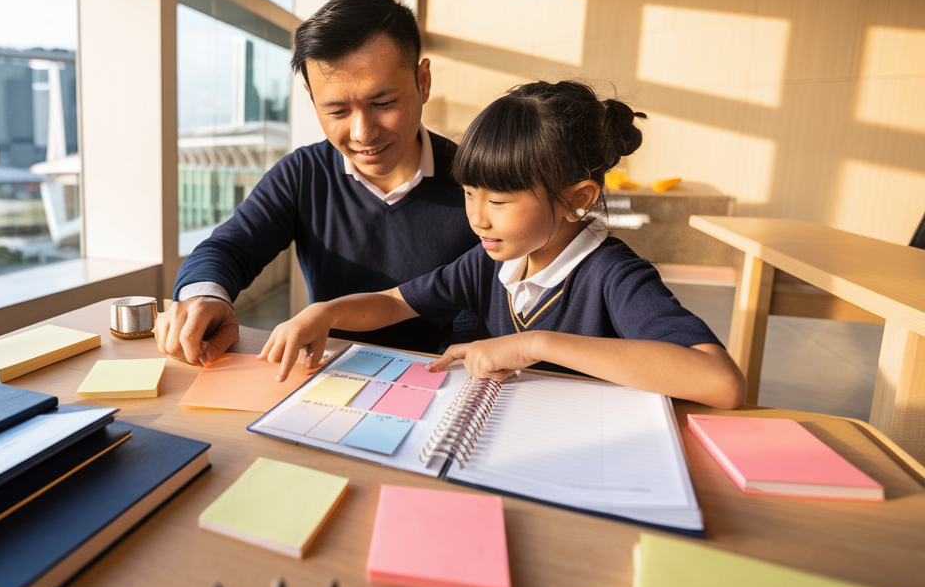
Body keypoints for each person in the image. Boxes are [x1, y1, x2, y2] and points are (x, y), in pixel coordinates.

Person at [258, 81, 746, 408]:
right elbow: (393, 304)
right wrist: (323, 313)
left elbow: (720, 381)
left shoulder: (613, 275)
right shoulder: (490, 263)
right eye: (469, 194)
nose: (476, 218)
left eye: (499, 200)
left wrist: (530, 345)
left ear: (577, 199)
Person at [157, 0, 482, 368]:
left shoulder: (478, 180)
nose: (362, 132)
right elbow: (228, 248)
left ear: (422, 81)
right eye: (337, 110)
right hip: (334, 372)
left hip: (450, 376)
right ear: (311, 98)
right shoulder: (303, 173)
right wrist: (205, 297)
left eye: (384, 103)